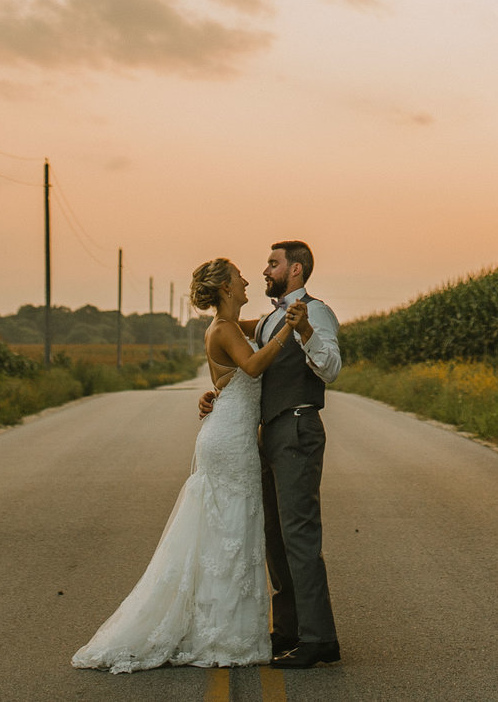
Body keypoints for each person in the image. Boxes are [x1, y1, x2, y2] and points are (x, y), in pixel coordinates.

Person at [70, 257, 293, 672]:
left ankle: (230, 630)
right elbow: (253, 365)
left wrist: (215, 390)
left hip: (231, 432)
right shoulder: (224, 328)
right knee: (231, 530)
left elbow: (232, 372)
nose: (246, 280)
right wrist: (290, 330)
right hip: (229, 441)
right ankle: (223, 635)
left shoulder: (230, 327)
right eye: (239, 277)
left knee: (230, 533)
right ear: (226, 288)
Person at [201, 240, 342, 669]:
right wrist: (217, 397)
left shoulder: (315, 312)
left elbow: (332, 367)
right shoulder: (266, 319)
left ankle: (319, 639)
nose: (264, 270)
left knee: (299, 534)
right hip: (265, 433)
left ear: (295, 270)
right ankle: (287, 632)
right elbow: (232, 352)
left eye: (272, 263)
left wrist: (305, 332)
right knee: (276, 539)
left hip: (297, 426)